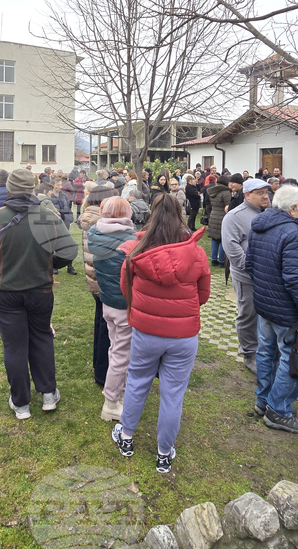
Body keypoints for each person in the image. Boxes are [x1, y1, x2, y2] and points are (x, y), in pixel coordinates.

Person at [110, 194, 210, 473]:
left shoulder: (136, 250)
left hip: (146, 332)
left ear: (151, 215)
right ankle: (164, 452)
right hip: (183, 335)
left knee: (138, 381)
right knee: (173, 394)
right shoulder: (197, 254)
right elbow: (203, 296)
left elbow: (125, 288)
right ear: (180, 216)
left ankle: (126, 436)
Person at [0, 167, 78, 419]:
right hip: (40, 289)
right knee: (42, 337)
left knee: (14, 345)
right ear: (33, 188)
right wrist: (49, 265)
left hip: (5, 292)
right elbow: (68, 251)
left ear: (8, 188)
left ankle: (20, 403)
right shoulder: (47, 216)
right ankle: (48, 394)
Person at [245, 186, 298, 434]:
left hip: (265, 304)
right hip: (285, 309)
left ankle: (263, 401)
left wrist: (267, 289)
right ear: (293, 208)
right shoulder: (293, 234)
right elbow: (296, 280)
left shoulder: (259, 226)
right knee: (291, 356)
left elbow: (250, 265)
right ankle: (278, 410)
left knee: (266, 352)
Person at [88, 197, 137, 422]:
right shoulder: (127, 239)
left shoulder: (96, 234)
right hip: (124, 303)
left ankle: (118, 390)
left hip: (107, 300)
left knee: (114, 348)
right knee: (121, 354)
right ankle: (111, 401)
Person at [221, 178, 270, 375]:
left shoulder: (270, 213)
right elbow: (232, 248)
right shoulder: (234, 217)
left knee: (265, 313)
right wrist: (249, 268)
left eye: (266, 192)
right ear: (247, 195)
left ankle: (266, 349)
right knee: (248, 313)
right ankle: (249, 353)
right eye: (260, 193)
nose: (265, 196)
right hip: (247, 277)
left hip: (268, 276)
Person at [81, 183, 119, 387]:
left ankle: (98, 363)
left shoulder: (88, 215)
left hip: (93, 276)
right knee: (107, 325)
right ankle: (103, 372)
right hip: (103, 276)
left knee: (100, 321)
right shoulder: (100, 220)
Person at [205, 174, 231, 267]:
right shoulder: (226, 192)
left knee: (214, 239)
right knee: (222, 239)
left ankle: (213, 259)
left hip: (213, 215)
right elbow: (228, 205)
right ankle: (221, 260)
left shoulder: (212, 191)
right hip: (222, 216)